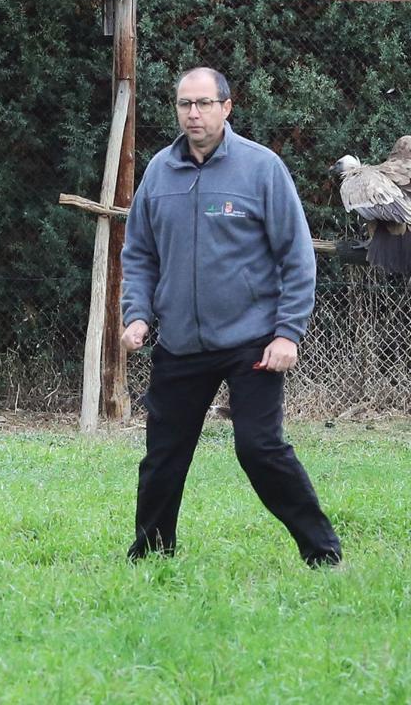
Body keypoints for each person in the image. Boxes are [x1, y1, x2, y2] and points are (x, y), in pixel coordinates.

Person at [119, 66, 341, 568]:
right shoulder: (159, 171)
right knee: (163, 456)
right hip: (179, 343)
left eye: (203, 103)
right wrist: (138, 314)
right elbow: (139, 253)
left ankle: (322, 551)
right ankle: (153, 555)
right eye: (184, 104)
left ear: (226, 107)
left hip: (252, 344)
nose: (192, 114)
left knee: (259, 448)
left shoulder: (261, 169)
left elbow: (296, 255)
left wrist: (288, 333)